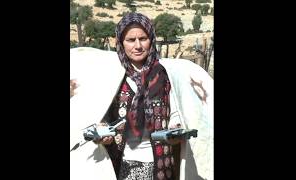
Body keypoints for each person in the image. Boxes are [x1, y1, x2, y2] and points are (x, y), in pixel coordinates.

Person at [70, 12, 213, 180]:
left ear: (151, 39)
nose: (137, 45)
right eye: (130, 40)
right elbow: (103, 114)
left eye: (143, 38)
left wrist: (175, 130)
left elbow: (174, 112)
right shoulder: (112, 76)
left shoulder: (164, 76)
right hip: (122, 166)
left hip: (160, 165)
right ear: (121, 43)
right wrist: (103, 134)